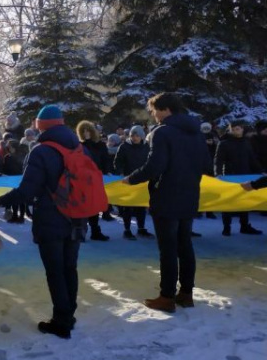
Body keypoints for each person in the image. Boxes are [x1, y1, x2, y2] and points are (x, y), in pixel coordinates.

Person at [0, 105, 86, 339]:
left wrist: (1, 201)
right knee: (70, 268)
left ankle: (61, 321)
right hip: (76, 216)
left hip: (51, 217)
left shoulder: (41, 151)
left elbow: (27, 191)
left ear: (40, 126)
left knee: (55, 271)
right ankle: (69, 313)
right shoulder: (78, 147)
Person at [122, 93, 210, 312]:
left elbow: (155, 166)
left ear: (165, 109)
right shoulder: (196, 133)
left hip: (167, 197)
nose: (153, 115)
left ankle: (167, 297)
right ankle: (186, 294)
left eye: (154, 110)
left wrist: (131, 179)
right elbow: (206, 164)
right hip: (190, 196)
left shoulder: (162, 132)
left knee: (168, 249)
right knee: (185, 246)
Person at [215, 121, 263, 236]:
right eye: (234, 128)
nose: (237, 130)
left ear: (242, 129)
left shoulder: (246, 143)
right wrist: (219, 174)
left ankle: (244, 226)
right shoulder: (224, 143)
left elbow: (252, 159)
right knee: (228, 203)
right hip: (229, 177)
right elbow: (219, 161)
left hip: (245, 176)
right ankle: (226, 227)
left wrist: (260, 171)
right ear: (230, 130)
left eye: (239, 128)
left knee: (244, 202)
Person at [114, 126, 153, 240]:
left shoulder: (147, 147)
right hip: (128, 180)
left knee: (141, 206)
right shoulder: (124, 147)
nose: (134, 138)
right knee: (128, 207)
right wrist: (120, 173)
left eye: (137, 136)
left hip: (142, 180)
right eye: (132, 135)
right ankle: (127, 229)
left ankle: (141, 228)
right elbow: (117, 162)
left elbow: (150, 161)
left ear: (141, 136)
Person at [76, 121, 111, 241]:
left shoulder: (100, 145)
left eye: (88, 130)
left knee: (95, 206)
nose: (86, 133)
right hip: (84, 180)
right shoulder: (79, 146)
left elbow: (106, 160)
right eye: (83, 131)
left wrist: (107, 171)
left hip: (97, 178)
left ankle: (95, 231)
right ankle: (81, 232)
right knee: (84, 206)